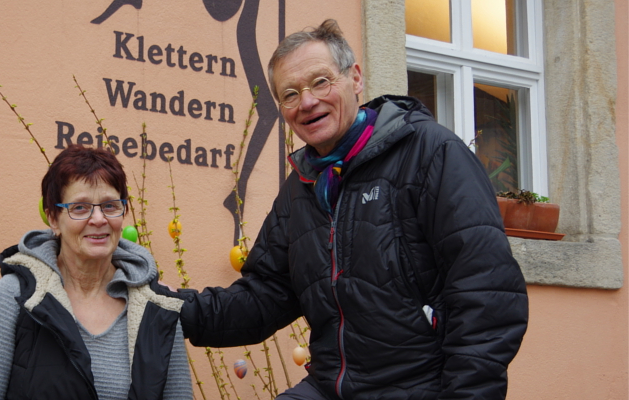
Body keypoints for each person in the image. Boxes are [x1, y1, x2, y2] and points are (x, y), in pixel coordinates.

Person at [173, 20, 528, 400]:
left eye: (320, 82)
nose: (307, 102)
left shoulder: (430, 153)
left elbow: (488, 294)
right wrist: (158, 306)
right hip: (332, 386)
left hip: (422, 386)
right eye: (290, 94)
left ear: (355, 78)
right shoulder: (302, 189)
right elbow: (263, 297)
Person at [0, 144, 192, 400]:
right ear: (52, 218)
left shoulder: (158, 309)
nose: (98, 219)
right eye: (80, 208)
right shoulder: (14, 297)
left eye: (110, 205)